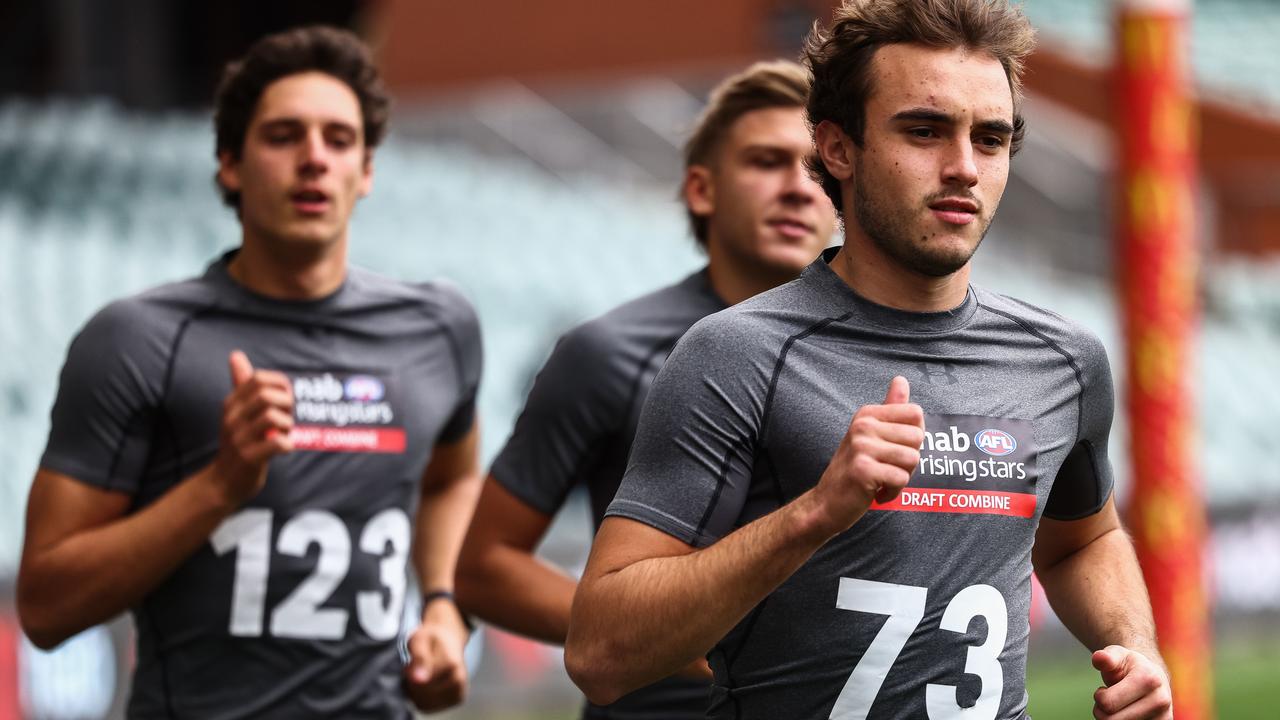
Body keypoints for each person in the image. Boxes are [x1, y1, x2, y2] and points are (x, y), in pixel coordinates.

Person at [565, 1, 1174, 719]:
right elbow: (599, 656)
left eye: (990, 139)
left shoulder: (1063, 360)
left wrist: (1135, 648)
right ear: (836, 148)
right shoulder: (737, 353)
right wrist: (815, 514)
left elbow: (1081, 542)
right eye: (924, 130)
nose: (963, 168)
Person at [16, 26, 481, 718]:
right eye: (284, 136)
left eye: (340, 139)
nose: (315, 159)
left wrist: (444, 603)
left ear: (369, 171)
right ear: (230, 165)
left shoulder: (439, 326)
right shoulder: (139, 340)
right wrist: (220, 485)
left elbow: (452, 476)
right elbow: (45, 606)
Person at [455, 60, 835, 719]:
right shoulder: (607, 352)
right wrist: (665, 638)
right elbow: (486, 566)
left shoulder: (885, 353)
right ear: (701, 189)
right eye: (767, 161)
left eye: (818, 168)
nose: (799, 188)